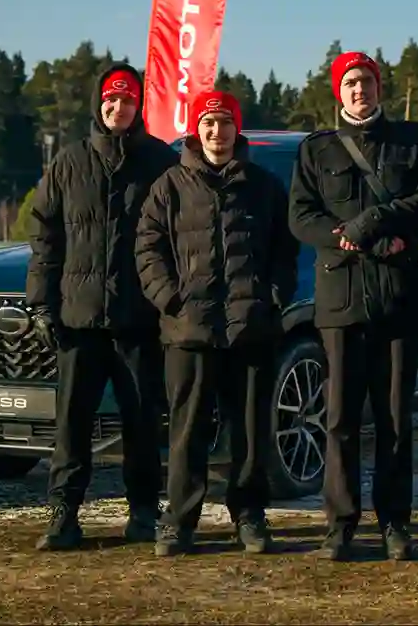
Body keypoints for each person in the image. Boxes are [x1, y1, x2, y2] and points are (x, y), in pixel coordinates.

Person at [288, 51, 418, 561]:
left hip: (397, 296)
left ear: (380, 87)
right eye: (350, 83)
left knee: (395, 418)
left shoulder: (413, 141)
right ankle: (340, 525)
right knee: (339, 420)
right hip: (341, 299)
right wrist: (349, 238)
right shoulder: (316, 149)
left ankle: (395, 523)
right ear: (339, 91)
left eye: (367, 81)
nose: (360, 90)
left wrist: (373, 223)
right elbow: (301, 216)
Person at [136, 90, 299, 557]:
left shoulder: (263, 186)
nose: (216, 131)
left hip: (250, 328)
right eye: (208, 123)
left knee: (249, 430)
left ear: (236, 128)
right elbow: (148, 248)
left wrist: (271, 298)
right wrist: (171, 299)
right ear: (196, 129)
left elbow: (285, 251)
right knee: (187, 431)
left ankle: (249, 515)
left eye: (225, 122)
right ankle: (180, 520)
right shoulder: (169, 186)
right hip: (189, 330)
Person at [26, 62, 179, 551]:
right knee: (72, 423)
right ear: (99, 104)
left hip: (139, 321)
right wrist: (41, 304)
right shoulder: (69, 163)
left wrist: (168, 302)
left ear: (139, 106)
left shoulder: (160, 162)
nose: (118, 107)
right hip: (80, 320)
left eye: (128, 99)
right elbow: (46, 239)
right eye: (111, 99)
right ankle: (63, 514)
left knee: (142, 422)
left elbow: (177, 237)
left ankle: (143, 512)